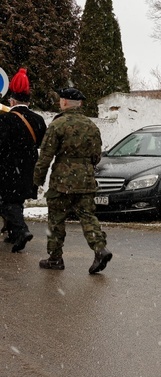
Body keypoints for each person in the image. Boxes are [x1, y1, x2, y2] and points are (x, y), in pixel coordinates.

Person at [33, 88, 111, 273]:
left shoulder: (58, 125)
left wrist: (37, 180)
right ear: (81, 104)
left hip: (62, 181)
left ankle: (55, 258)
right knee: (87, 216)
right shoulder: (91, 126)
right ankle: (100, 249)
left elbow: (45, 156)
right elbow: (96, 156)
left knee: (56, 219)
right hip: (85, 180)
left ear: (65, 102)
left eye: (61, 100)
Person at [0, 68, 47, 252]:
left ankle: (21, 231)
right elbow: (41, 142)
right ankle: (13, 234)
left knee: (6, 201)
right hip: (29, 166)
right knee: (17, 200)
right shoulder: (38, 119)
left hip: (8, 167)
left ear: (12, 100)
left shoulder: (7, 120)